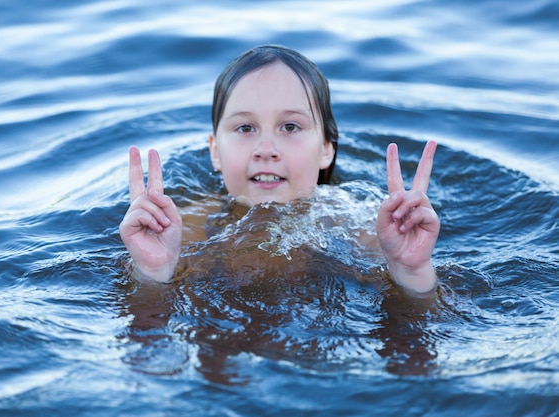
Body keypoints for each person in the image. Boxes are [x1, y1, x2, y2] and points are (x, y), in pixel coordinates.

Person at [119, 45, 440, 297]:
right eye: (245, 127)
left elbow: (418, 344)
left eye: (290, 126)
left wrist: (411, 271)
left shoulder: (366, 229)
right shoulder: (182, 231)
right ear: (215, 151)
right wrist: (152, 273)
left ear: (326, 148)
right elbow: (146, 346)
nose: (266, 148)